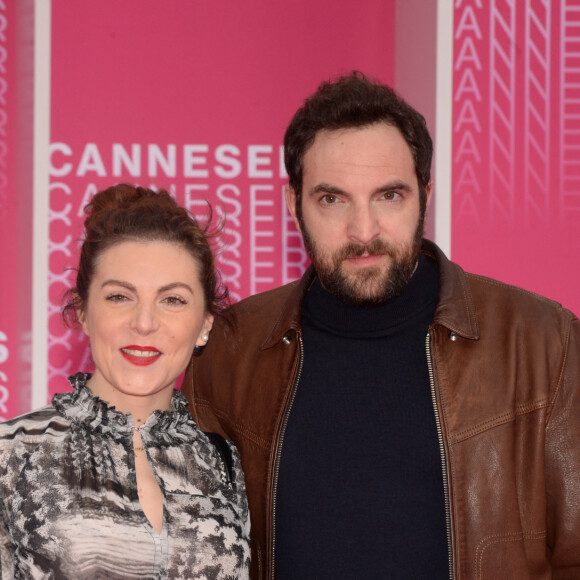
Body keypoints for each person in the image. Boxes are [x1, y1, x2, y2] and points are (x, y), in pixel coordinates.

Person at [183, 72, 580, 579]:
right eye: (333, 199)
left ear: (426, 194)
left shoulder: (544, 342)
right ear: (293, 204)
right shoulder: (229, 350)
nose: (363, 231)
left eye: (389, 196)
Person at [0, 185, 251, 578]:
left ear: (205, 325)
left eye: (172, 300)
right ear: (83, 312)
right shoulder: (12, 453)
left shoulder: (228, 465)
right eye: (120, 297)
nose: (144, 323)